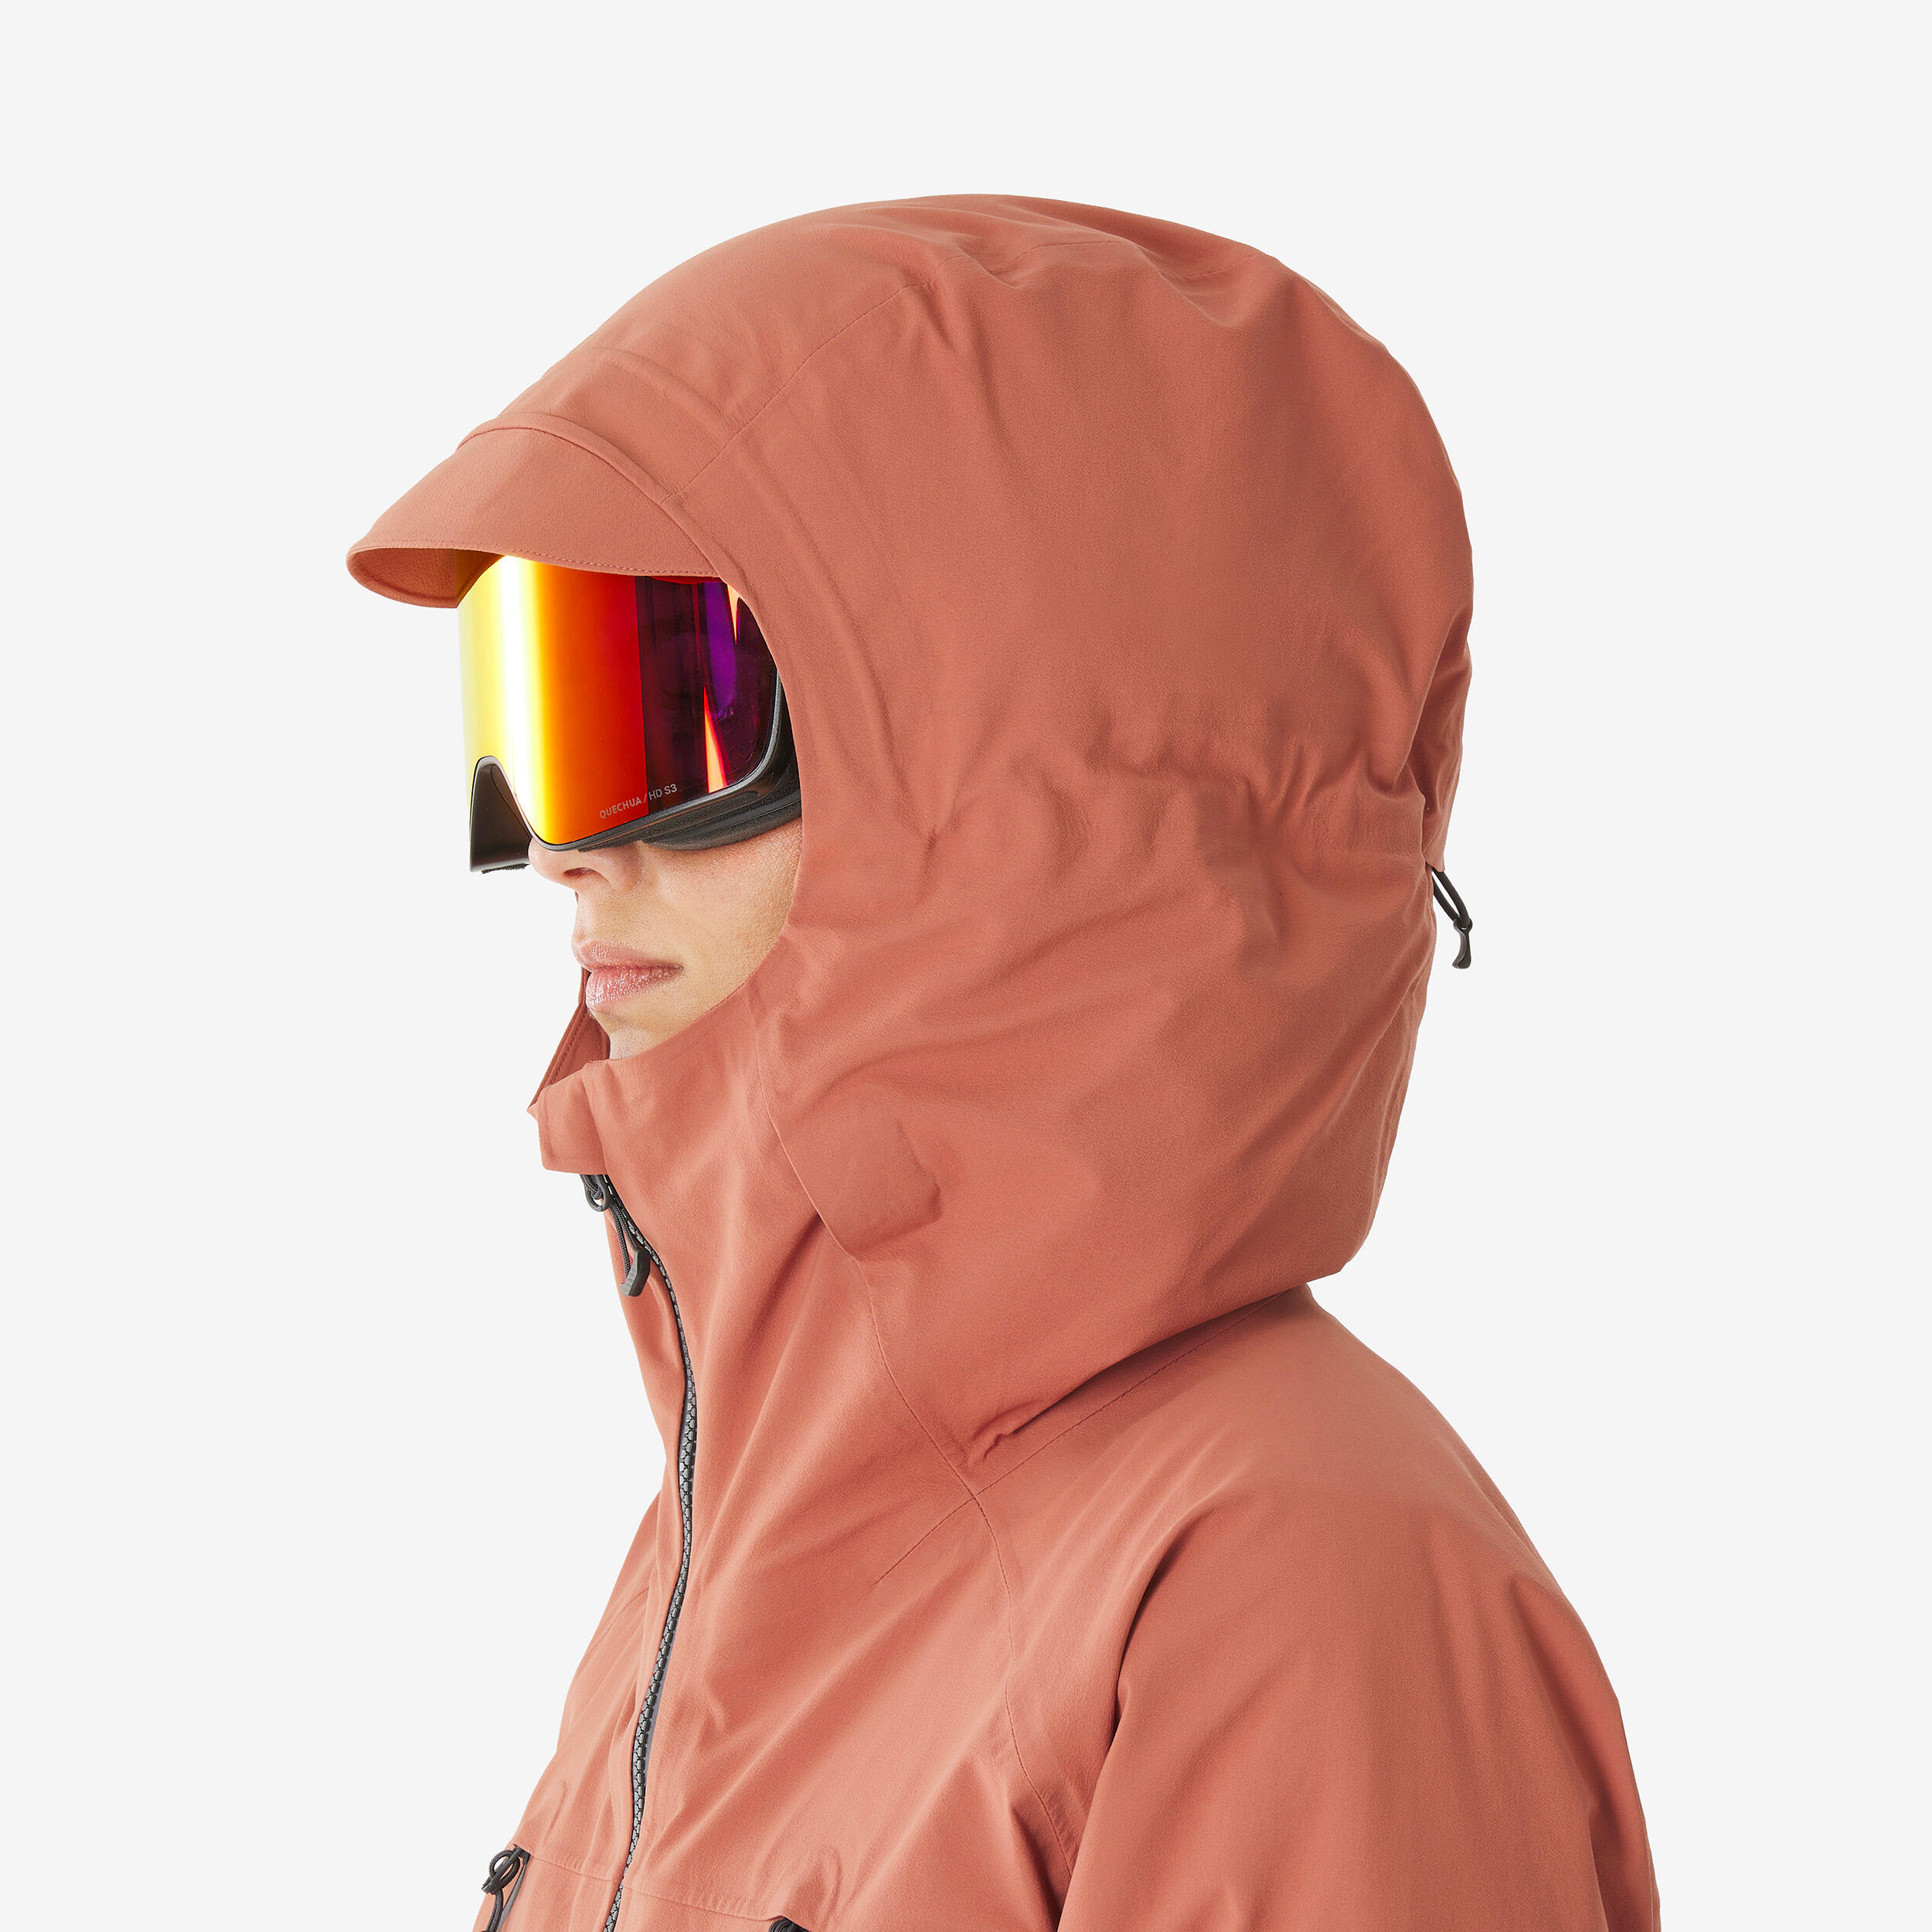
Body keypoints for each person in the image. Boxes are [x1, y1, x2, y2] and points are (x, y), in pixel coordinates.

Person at [349, 196, 1658, 1932]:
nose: (567, 853)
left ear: (1009, 797)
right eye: (536, 726)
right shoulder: (734, 1536)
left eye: (672, 722)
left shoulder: (1293, 1584)